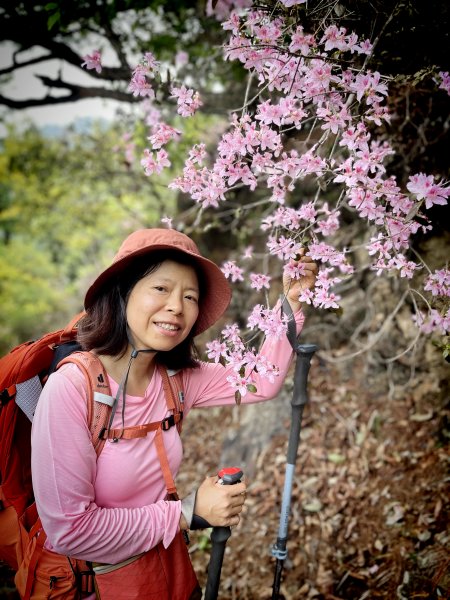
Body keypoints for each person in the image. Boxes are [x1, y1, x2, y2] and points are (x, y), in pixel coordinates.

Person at [30, 228, 318, 600]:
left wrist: (292, 302)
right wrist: (187, 513)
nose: (177, 307)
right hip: (97, 585)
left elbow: (261, 380)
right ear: (122, 292)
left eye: (190, 296)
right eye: (161, 289)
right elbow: (70, 531)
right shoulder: (72, 389)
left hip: (166, 574)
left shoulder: (175, 380)